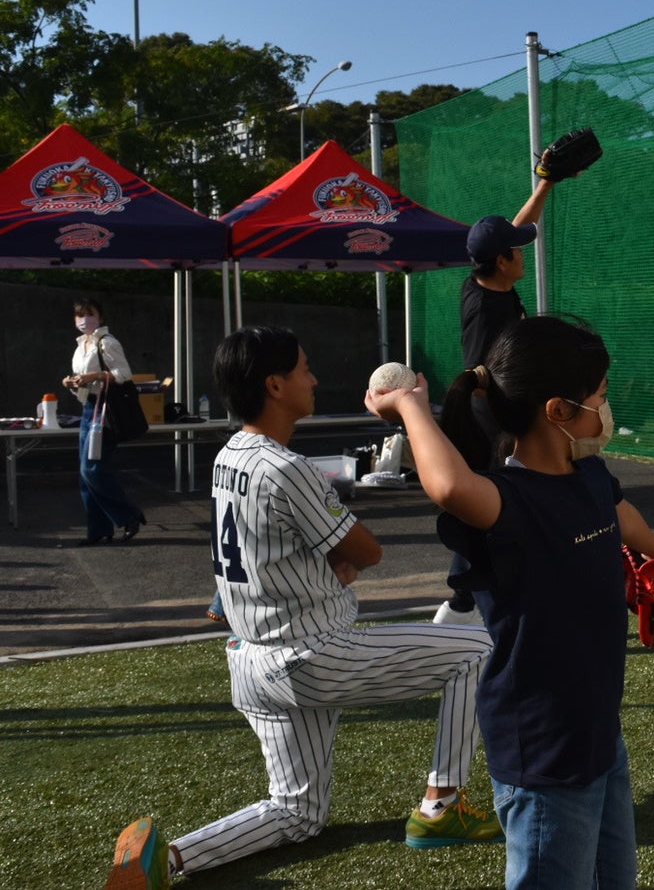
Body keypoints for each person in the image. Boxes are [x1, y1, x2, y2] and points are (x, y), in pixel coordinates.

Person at [103, 326, 499, 889]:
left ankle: (167, 861)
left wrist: (332, 558)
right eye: (304, 369)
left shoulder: (228, 456)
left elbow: (281, 545)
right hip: (313, 655)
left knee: (298, 814)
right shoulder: (286, 467)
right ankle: (441, 807)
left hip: (250, 662)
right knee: (476, 650)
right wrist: (343, 554)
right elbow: (367, 550)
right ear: (274, 384)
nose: (314, 378)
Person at [365, 314, 654, 890]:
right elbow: (449, 486)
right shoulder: (508, 500)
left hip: (598, 732)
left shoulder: (588, 475)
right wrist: (410, 408)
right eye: (600, 398)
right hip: (543, 753)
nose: (606, 412)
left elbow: (616, 509)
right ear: (557, 411)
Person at [438, 169, 564, 626]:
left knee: (502, 503)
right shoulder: (489, 310)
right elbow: (485, 375)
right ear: (503, 261)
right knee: (490, 505)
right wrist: (512, 428)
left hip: (495, 413)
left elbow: (517, 227)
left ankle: (470, 600)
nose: (522, 251)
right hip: (490, 415)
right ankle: (463, 605)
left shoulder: (485, 279)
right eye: (516, 249)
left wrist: (546, 183)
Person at [61, 296, 145, 547]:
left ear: (100, 317)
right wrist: (73, 381)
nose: (84, 319)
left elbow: (124, 374)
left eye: (89, 314)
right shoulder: (81, 346)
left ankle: (129, 515)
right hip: (89, 408)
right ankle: (98, 530)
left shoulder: (107, 342)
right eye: (80, 315)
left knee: (92, 468)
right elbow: (83, 378)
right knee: (85, 473)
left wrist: (94, 375)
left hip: (106, 410)